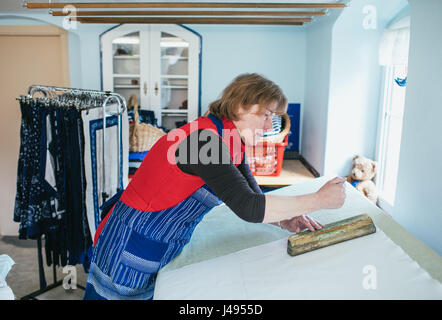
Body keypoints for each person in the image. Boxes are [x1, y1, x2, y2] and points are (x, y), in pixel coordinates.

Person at [83, 73, 346, 300]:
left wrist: (285, 219)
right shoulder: (204, 141)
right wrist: (319, 199)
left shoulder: (229, 137)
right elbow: (249, 208)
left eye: (273, 117)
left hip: (157, 239)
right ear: (241, 107)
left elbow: (253, 196)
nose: (269, 126)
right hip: (131, 240)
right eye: (266, 115)